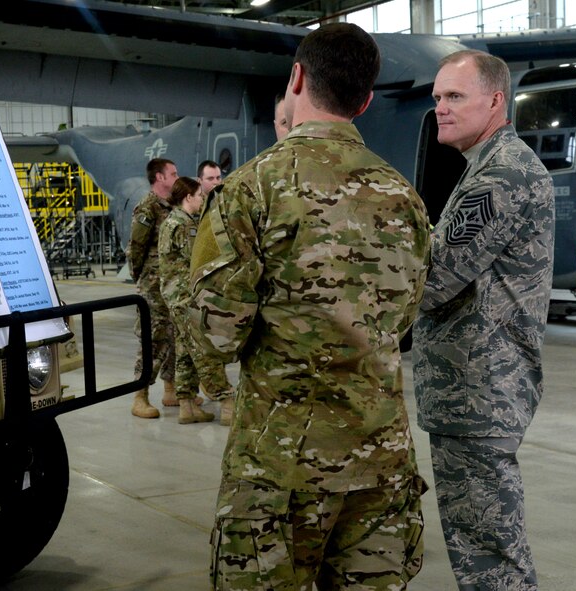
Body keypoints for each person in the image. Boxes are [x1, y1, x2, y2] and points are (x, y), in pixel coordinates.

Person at [189, 23, 430, 590]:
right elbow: (403, 319)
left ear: (296, 77)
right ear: (365, 100)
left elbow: (215, 335)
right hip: (381, 464)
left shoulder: (251, 190)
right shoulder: (406, 198)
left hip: (281, 466)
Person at [412, 49, 555, 591]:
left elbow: (432, 279)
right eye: (437, 98)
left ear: (495, 101)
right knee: (483, 547)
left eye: (454, 97)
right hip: (473, 389)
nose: (440, 109)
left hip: (478, 391)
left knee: (489, 554)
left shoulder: (499, 178)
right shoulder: (490, 168)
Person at [158, 176, 230, 424]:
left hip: (175, 296)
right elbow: (197, 259)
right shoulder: (184, 225)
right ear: (188, 197)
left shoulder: (173, 221)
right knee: (202, 348)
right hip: (184, 297)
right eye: (199, 195)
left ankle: (187, 405)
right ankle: (226, 399)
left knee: (185, 350)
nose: (202, 199)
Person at [127, 157, 179, 418]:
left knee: (173, 336)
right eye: (173, 173)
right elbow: (135, 248)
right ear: (160, 177)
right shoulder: (148, 207)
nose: (177, 177)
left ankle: (171, 389)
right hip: (153, 286)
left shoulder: (171, 206)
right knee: (153, 338)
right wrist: (142, 278)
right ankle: (140, 395)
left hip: (171, 285)